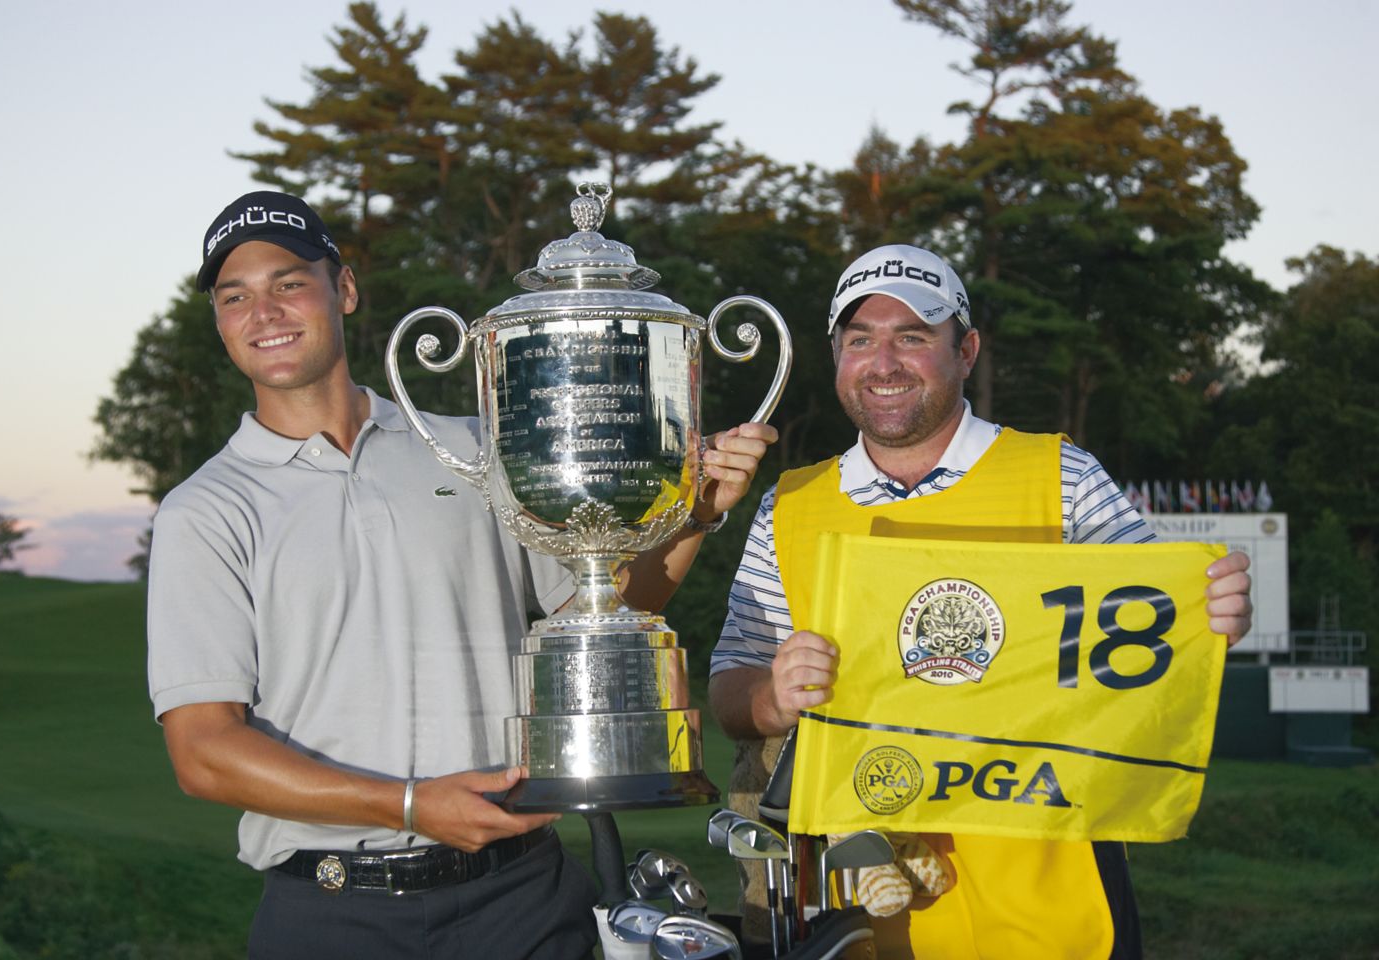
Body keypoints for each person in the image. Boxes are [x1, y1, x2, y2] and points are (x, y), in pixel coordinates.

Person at [147, 190, 777, 959]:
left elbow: (601, 607)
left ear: (343, 289)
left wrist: (695, 513)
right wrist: (409, 805)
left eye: (288, 283)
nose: (264, 313)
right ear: (218, 320)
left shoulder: (476, 449)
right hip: (332, 914)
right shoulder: (206, 510)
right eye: (234, 296)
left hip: (522, 895)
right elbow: (203, 751)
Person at [708, 243, 1253, 959]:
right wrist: (775, 697)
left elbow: (1162, 629)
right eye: (860, 339)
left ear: (965, 350)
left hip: (1049, 909)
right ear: (835, 354)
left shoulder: (1059, 475)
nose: (884, 363)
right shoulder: (792, 503)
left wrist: (1216, 616)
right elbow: (729, 693)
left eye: (913, 337)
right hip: (858, 917)